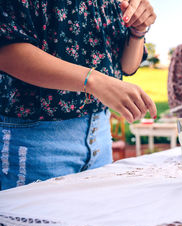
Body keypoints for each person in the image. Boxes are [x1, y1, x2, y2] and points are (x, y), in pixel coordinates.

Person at [0, 0, 157, 190]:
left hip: (100, 134)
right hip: (35, 139)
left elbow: (127, 66)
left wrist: (138, 31)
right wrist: (94, 81)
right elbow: (6, 50)